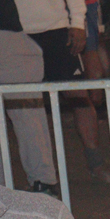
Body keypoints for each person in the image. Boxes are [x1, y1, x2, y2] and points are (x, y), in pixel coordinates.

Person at [14, 0, 110, 183]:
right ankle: (41, 177)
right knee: (26, 104)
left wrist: (77, 23)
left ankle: (96, 162)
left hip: (57, 30)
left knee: (78, 96)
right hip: (18, 34)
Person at [0, 0, 60, 197]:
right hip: (10, 36)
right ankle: (43, 183)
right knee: (28, 115)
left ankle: (41, 183)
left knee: (28, 112)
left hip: (9, 34)